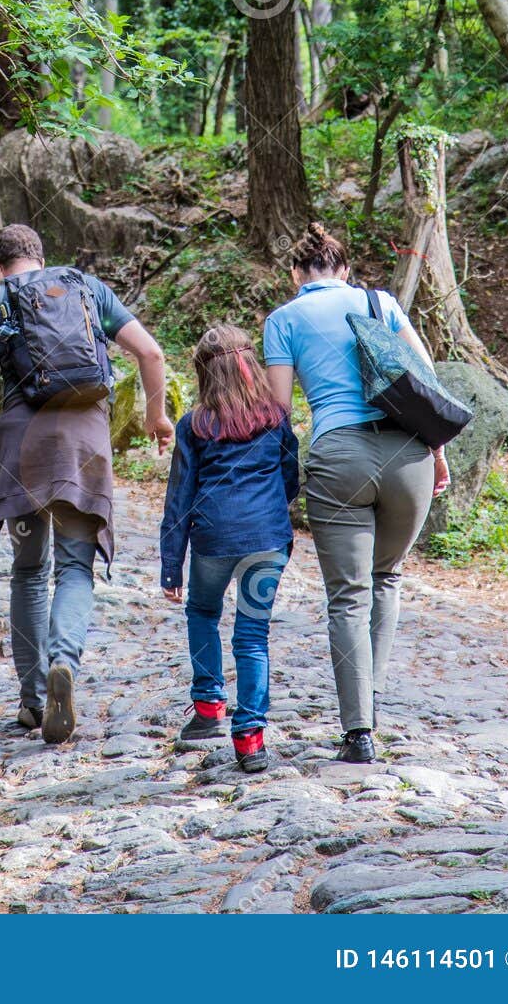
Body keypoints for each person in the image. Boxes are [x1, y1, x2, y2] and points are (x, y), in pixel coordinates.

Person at [0, 222, 173, 746]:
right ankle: (63, 662)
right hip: (84, 447)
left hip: (20, 453)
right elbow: (151, 354)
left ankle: (33, 701)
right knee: (76, 567)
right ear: (41, 255)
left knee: (29, 573)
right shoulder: (85, 288)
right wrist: (155, 416)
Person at [263, 223, 449, 765]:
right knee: (386, 577)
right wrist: (436, 451)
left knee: (348, 594)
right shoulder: (380, 302)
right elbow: (425, 377)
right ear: (344, 270)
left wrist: (280, 477)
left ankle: (358, 730)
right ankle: (372, 698)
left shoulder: (284, 319)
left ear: (296, 274)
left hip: (337, 457)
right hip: (407, 454)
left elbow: (279, 412)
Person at [160, 325, 300, 774]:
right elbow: (291, 477)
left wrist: (171, 565)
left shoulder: (195, 425)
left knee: (202, 612)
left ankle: (207, 709)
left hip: (213, 540)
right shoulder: (276, 418)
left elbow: (179, 499)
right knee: (253, 634)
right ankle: (250, 738)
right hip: (267, 541)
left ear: (205, 374)